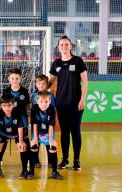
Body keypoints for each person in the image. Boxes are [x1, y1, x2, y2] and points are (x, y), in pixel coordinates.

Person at [48, 35, 88, 171]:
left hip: (76, 103)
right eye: (62, 45)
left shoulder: (78, 61)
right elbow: (50, 81)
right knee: (64, 132)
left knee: (75, 131)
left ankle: (76, 161)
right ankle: (64, 160)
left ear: (71, 46)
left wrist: (82, 99)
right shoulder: (56, 63)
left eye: (66, 44)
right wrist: (40, 88)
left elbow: (85, 82)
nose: (64, 46)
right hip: (61, 103)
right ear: (58, 47)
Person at [3, 67, 30, 178]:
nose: (14, 80)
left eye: (17, 78)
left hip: (22, 120)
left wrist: (27, 118)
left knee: (23, 143)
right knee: (2, 139)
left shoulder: (24, 91)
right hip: (9, 120)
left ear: (21, 79)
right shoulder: (6, 91)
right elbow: (4, 106)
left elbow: (27, 106)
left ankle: (25, 168)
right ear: (9, 79)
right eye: (12, 78)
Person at [30, 91, 63, 180]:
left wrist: (51, 139)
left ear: (50, 101)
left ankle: (54, 172)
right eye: (41, 102)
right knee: (33, 147)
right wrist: (35, 139)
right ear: (37, 101)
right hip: (37, 131)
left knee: (52, 148)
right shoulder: (34, 108)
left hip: (48, 131)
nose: (43, 104)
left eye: (46, 102)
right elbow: (34, 124)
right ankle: (31, 171)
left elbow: (51, 125)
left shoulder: (52, 109)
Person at [0, 95, 27, 179]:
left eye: (9, 105)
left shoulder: (17, 113)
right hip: (3, 133)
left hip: (16, 133)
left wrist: (21, 141)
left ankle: (24, 170)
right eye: (4, 106)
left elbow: (20, 128)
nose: (7, 108)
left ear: (13, 105)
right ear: (1, 106)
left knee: (23, 147)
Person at [31, 74, 56, 167]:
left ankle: (50, 161)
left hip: (48, 121)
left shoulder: (51, 96)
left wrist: (51, 122)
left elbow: (52, 109)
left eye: (43, 84)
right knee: (35, 141)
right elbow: (34, 109)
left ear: (47, 85)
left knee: (49, 141)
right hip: (37, 122)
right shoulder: (34, 96)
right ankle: (35, 161)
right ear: (36, 85)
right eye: (39, 84)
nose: (41, 86)